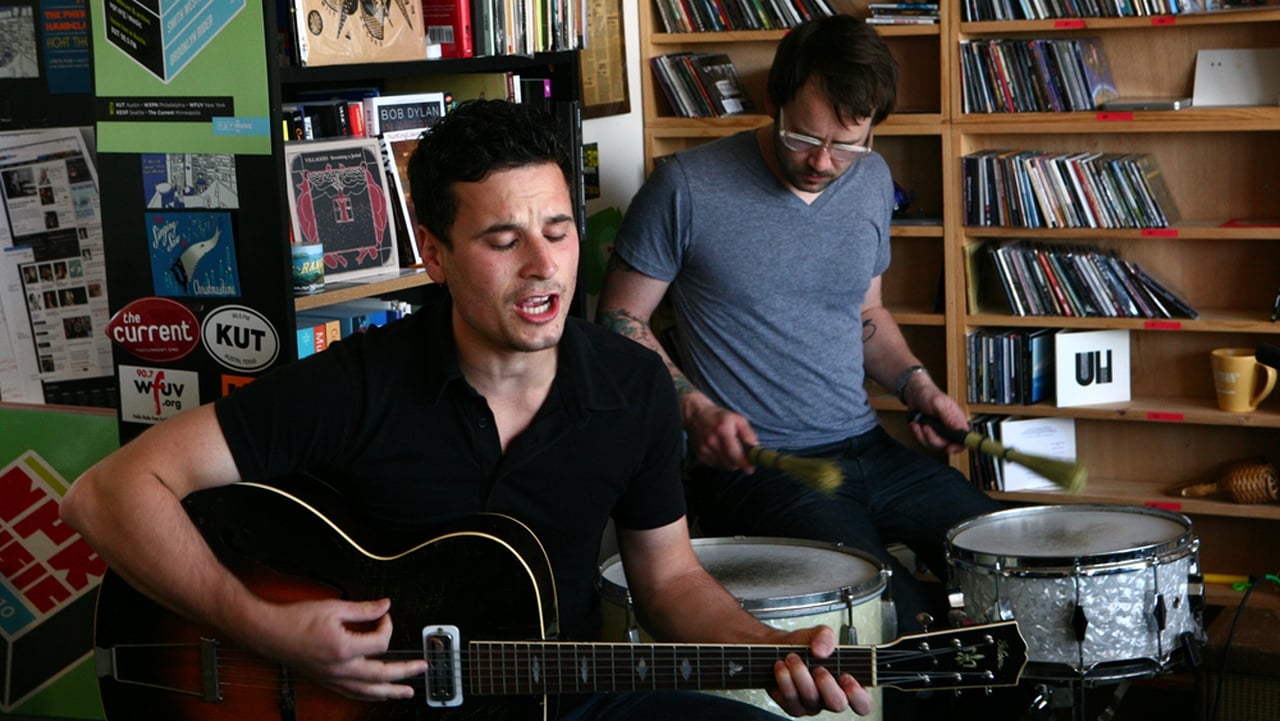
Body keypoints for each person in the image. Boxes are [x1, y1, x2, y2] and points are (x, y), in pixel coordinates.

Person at [60, 100, 871, 720]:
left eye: (559, 229)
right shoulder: (357, 382)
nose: (543, 265)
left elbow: (669, 581)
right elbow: (107, 492)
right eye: (502, 239)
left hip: (557, 696)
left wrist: (774, 652)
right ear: (434, 253)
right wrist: (264, 628)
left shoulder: (633, 388)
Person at [597, 13, 1006, 671]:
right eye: (805, 136)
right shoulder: (686, 186)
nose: (824, 161)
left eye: (848, 142)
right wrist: (691, 406)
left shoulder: (869, 181)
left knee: (1001, 566)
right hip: (763, 466)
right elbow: (618, 323)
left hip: (867, 444)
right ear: (773, 101)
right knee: (891, 617)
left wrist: (917, 386)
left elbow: (866, 314)